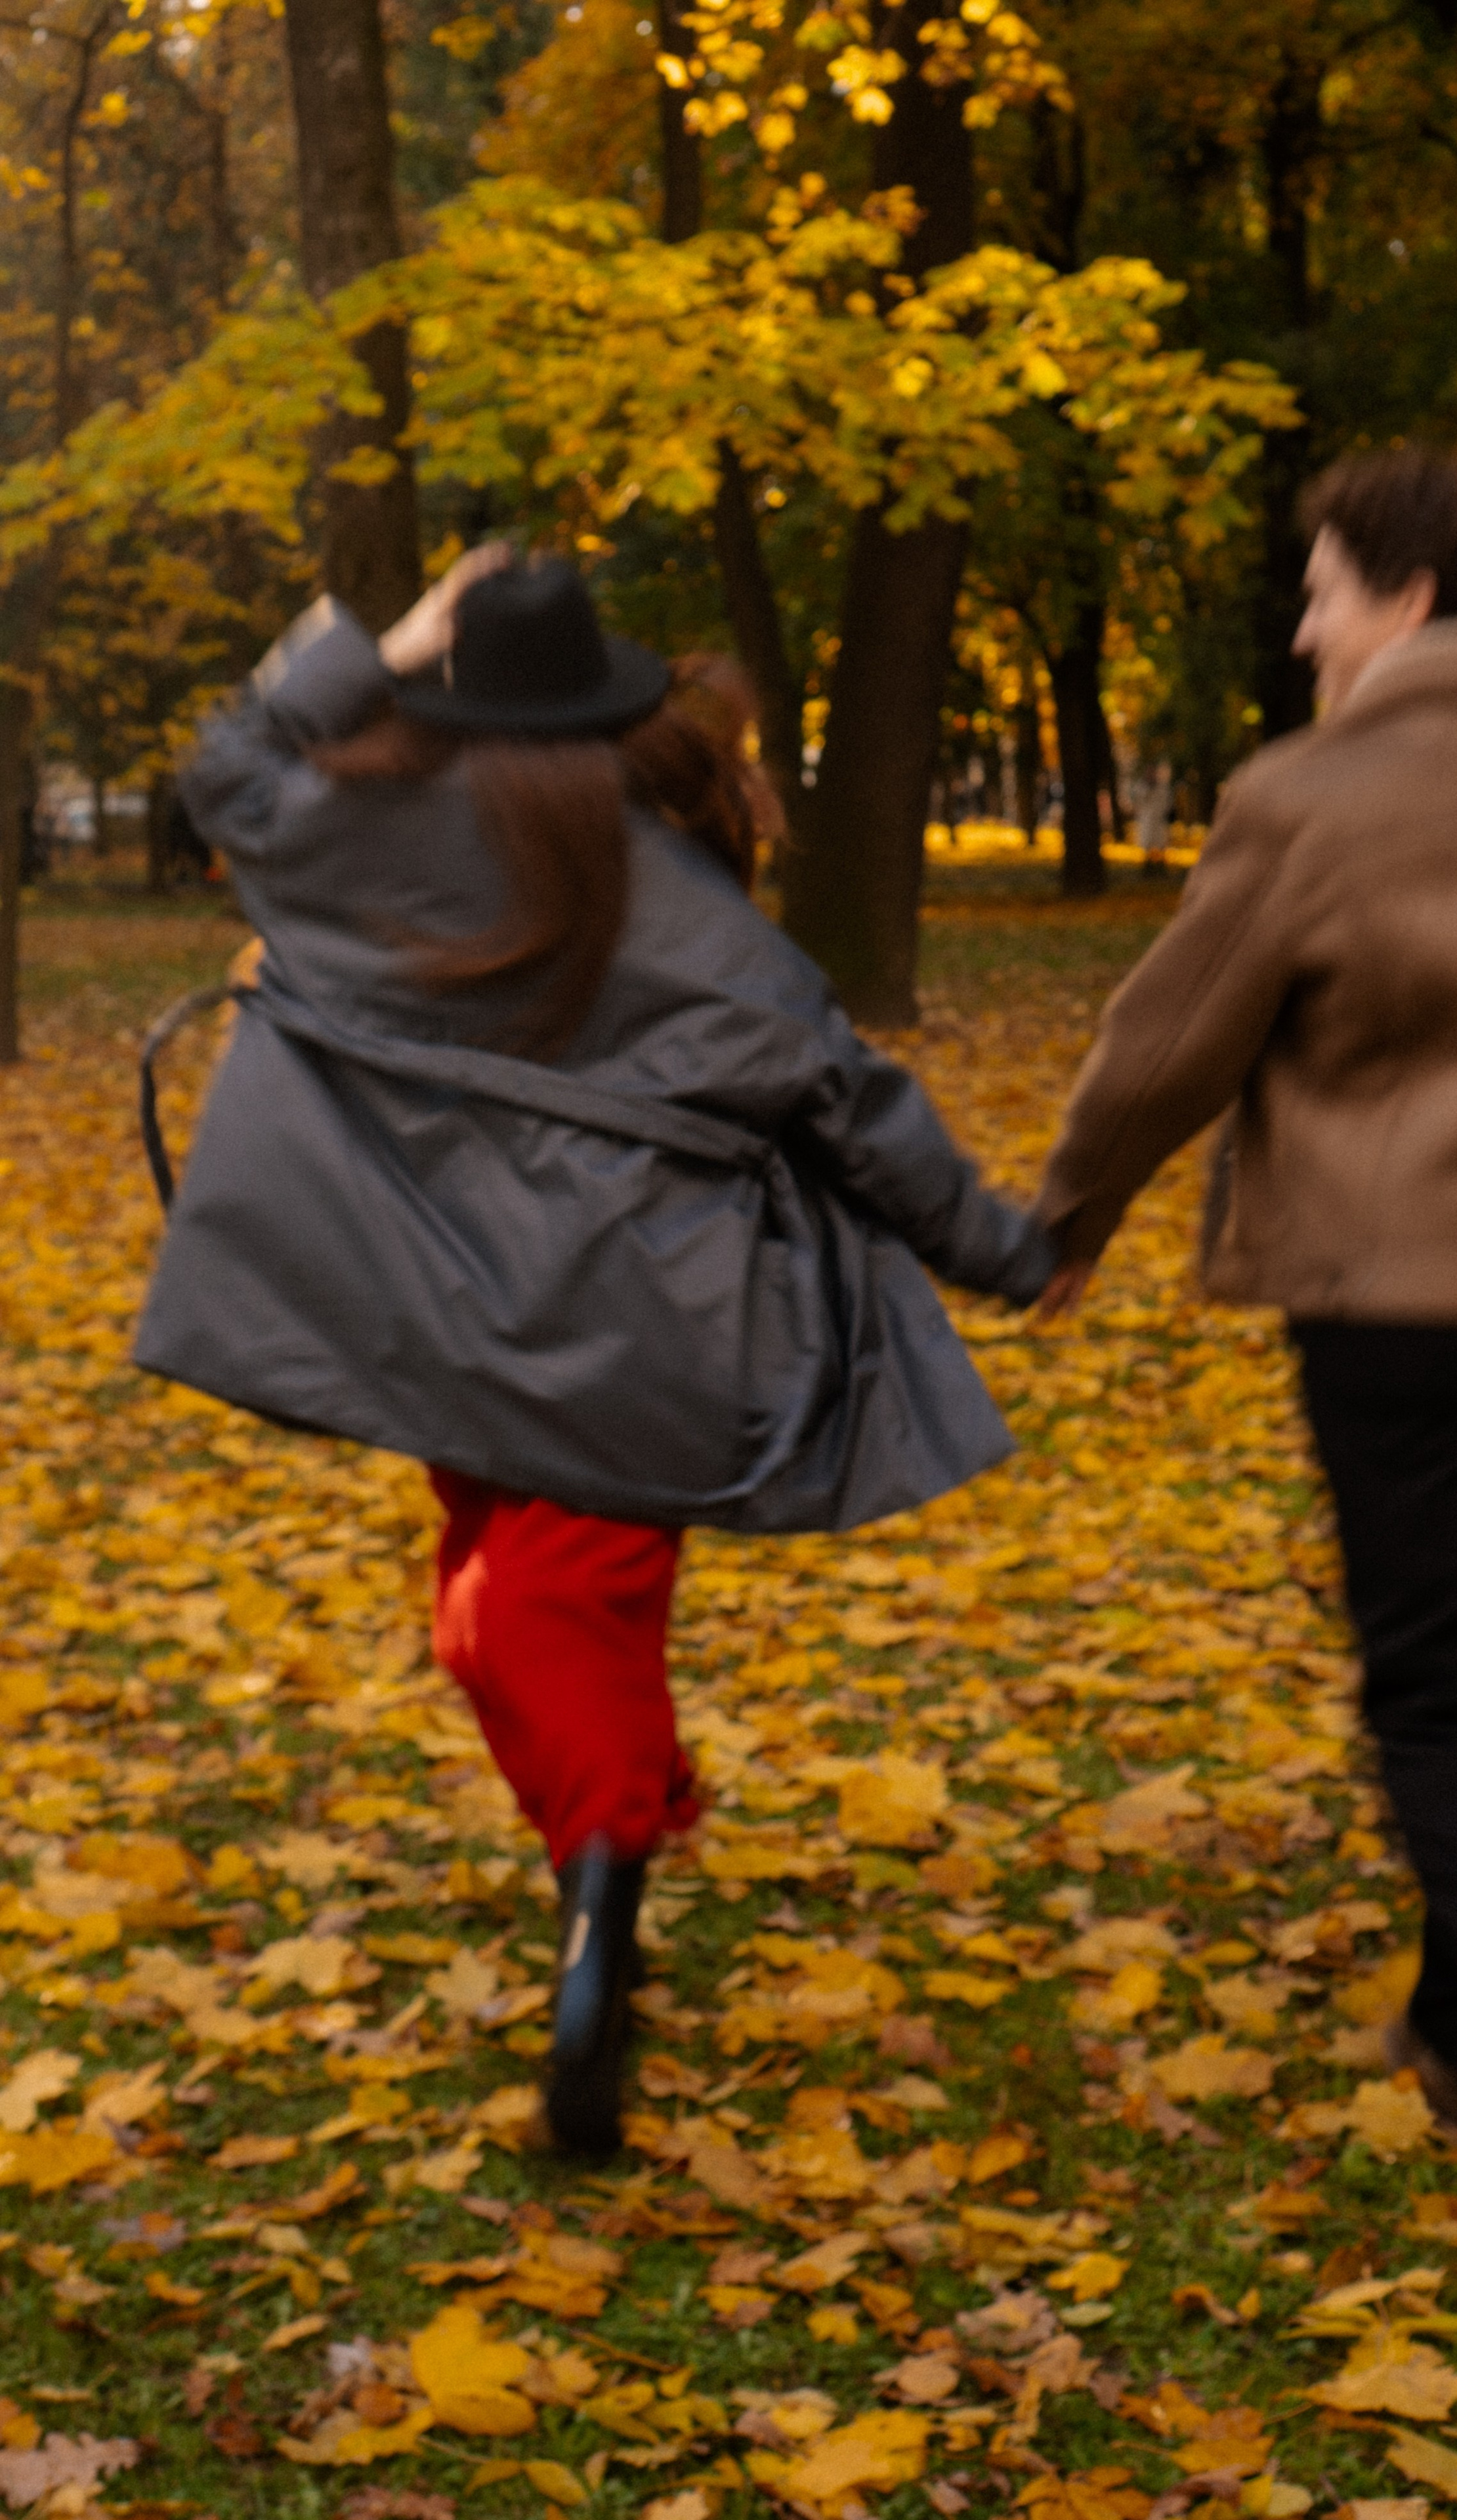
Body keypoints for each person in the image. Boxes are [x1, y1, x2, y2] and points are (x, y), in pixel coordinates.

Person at [135, 549, 1055, 2153]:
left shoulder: (358, 839)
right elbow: (860, 1113)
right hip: (634, 1345)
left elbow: (225, 763)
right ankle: (608, 1860)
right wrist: (1004, 1251)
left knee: (517, 1619)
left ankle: (605, 1872)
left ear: (449, 696)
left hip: (435, 1325)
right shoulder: (702, 926)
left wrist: (379, 644)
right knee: (527, 1616)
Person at [1032, 446, 1457, 2286]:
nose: (1306, 630)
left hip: (1396, 1299)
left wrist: (1070, 1212)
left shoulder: (1314, 795)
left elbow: (1173, 1040)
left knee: (1430, 1694)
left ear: (1400, 599)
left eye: (1319, 591)